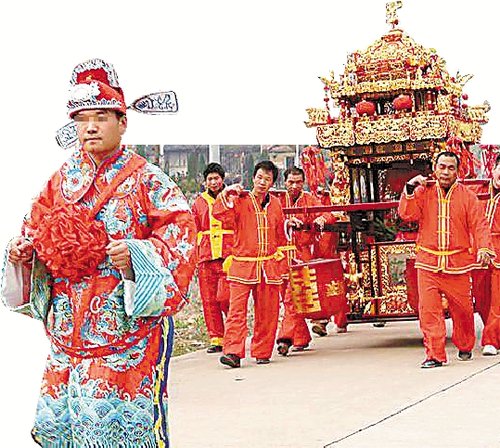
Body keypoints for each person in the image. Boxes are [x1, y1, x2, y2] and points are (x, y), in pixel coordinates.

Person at [1, 59, 196, 447]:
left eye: (102, 117)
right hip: (69, 337)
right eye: (82, 118)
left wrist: (138, 256)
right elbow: (32, 230)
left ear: (123, 122)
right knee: (70, 432)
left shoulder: (147, 178)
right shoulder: (61, 180)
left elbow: (181, 238)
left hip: (126, 336)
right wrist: (23, 254)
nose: (90, 127)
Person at [398, 151, 494, 369]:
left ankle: (465, 344)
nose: (446, 172)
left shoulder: (467, 196)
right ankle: (435, 355)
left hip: (458, 264)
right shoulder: (423, 192)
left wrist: (484, 248)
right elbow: (407, 214)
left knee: (463, 310)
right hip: (427, 263)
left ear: (457, 170)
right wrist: (410, 189)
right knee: (429, 312)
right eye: (442, 167)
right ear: (435, 167)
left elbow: (479, 224)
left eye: (451, 168)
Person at [213, 160, 287, 368]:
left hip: (268, 266)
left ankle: (262, 351)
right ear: (253, 178)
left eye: (268, 179)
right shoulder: (240, 200)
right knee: (237, 311)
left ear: (273, 183)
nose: (263, 182)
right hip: (242, 265)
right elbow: (220, 215)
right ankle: (233, 352)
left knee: (268, 311)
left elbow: (280, 234)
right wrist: (225, 195)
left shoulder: (276, 204)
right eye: (260, 177)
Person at [275, 166, 337, 356]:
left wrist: (321, 219)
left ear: (303, 183)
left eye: (298, 182)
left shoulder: (309, 199)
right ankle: (301, 337)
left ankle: (284, 338)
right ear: (284, 182)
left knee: (292, 297)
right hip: (279, 257)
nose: (294, 186)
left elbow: (329, 213)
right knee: (287, 300)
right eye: (291, 182)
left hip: (301, 255)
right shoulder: (276, 200)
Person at [192, 163, 233, 353]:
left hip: (228, 253)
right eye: (210, 179)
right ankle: (216, 338)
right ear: (205, 182)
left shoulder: (232, 198)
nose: (214, 182)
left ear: (222, 179)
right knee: (209, 300)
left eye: (217, 178)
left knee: (226, 297)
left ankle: (233, 333)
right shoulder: (198, 202)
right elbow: (194, 229)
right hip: (206, 255)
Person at [471, 153, 500, 356]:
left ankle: (491, 339)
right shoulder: (478, 189)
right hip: (478, 252)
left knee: (498, 299)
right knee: (481, 298)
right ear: (494, 169)